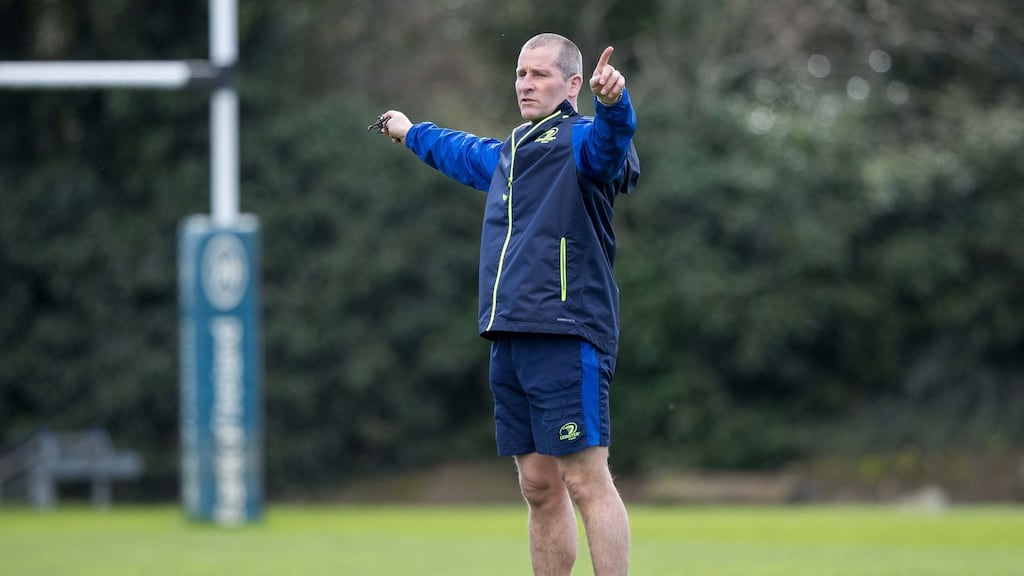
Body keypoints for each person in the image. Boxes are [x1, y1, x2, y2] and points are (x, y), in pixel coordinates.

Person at [374, 33, 639, 576]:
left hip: (565, 330)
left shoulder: (582, 139)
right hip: (509, 333)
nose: (525, 83)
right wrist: (409, 132)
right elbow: (461, 151)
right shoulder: (510, 153)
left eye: (538, 74)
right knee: (539, 486)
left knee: (586, 480)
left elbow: (613, 146)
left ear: (570, 85)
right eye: (520, 73)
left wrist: (614, 103)